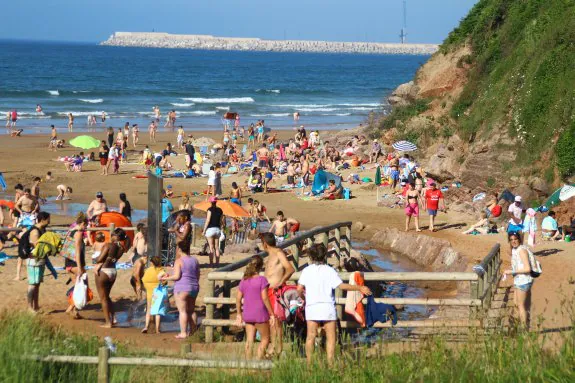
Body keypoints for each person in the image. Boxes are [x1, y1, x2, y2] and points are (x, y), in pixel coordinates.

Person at [297, 243, 371, 365]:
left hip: (312, 307)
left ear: (311, 257)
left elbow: (299, 289)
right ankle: (330, 363)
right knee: (331, 336)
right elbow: (341, 286)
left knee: (310, 336)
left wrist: (304, 298)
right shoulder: (329, 270)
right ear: (324, 255)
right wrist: (359, 287)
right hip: (327, 307)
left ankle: (310, 363)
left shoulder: (306, 270)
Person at [261, 233, 295, 357]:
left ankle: (278, 348)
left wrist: (281, 282)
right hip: (267, 291)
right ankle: (273, 346)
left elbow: (290, 268)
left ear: (264, 243)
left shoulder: (279, 253)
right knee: (271, 321)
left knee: (276, 321)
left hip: (276, 292)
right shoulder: (269, 255)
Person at [235, 255, 275, 360]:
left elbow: (238, 298)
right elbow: (265, 298)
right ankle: (258, 361)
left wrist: (239, 314)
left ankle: (248, 364)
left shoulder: (244, 280)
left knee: (249, 340)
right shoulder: (262, 280)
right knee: (265, 339)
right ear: (261, 266)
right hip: (260, 313)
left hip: (247, 314)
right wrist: (272, 313)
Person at [161, 241, 200, 339]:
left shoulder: (179, 261)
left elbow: (177, 276)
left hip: (182, 288)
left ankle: (183, 333)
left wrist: (166, 278)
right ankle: (193, 331)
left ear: (179, 249)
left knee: (182, 311)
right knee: (191, 311)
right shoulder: (195, 260)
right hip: (194, 287)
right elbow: (198, 275)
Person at [94, 228, 127, 328]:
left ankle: (108, 322)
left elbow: (99, 259)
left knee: (103, 298)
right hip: (113, 271)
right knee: (107, 297)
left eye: (112, 235)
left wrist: (95, 259)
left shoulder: (108, 245)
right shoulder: (121, 248)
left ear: (115, 236)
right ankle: (113, 319)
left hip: (104, 271)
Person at [502, 232, 533, 330]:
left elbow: (528, 268)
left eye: (515, 239)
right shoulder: (515, 250)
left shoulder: (521, 251)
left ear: (519, 239)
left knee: (520, 306)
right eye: (511, 240)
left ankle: (524, 329)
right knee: (516, 303)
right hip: (519, 280)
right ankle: (520, 324)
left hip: (523, 281)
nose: (513, 241)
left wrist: (511, 271)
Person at [22, 212, 51, 312]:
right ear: (42, 220)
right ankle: (30, 308)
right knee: (32, 284)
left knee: (37, 284)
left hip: (40, 260)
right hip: (33, 260)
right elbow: (38, 247)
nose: (49, 222)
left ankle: (36, 306)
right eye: (48, 220)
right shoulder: (35, 232)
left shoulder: (42, 229)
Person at [66, 213, 88, 319]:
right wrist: (80, 267)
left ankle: (74, 311)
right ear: (83, 223)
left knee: (76, 287)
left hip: (68, 262)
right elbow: (77, 252)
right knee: (83, 286)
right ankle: (70, 308)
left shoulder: (71, 230)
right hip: (75, 263)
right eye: (86, 226)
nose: (86, 228)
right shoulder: (78, 233)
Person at [141, 256, 166, 333]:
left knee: (148, 310)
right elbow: (164, 282)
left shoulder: (148, 270)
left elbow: (144, 280)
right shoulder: (162, 270)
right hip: (159, 294)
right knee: (158, 312)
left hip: (149, 293)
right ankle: (157, 330)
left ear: (151, 263)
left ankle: (146, 327)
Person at [203, 197, 224, 267]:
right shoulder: (220, 210)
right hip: (217, 229)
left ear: (210, 202)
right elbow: (221, 221)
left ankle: (211, 264)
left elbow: (208, 220)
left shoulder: (209, 210)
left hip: (210, 229)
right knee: (217, 247)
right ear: (216, 202)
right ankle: (217, 264)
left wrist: (204, 230)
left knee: (211, 247)